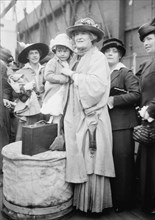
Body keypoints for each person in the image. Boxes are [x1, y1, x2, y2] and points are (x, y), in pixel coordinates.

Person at [61, 17, 115, 213]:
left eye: (83, 33)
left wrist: (73, 75)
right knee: (81, 158)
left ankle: (93, 204)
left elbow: (97, 86)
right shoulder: (79, 58)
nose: (78, 37)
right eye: (75, 34)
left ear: (93, 37)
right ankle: (81, 202)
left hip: (93, 116)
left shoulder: (98, 57)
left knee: (92, 159)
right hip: (78, 116)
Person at [101, 38, 140, 212]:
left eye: (114, 51)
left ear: (120, 55)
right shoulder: (101, 72)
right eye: (107, 51)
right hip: (106, 123)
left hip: (122, 124)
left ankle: (124, 202)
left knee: (122, 162)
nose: (110, 53)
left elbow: (136, 94)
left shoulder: (125, 72)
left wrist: (113, 100)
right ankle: (112, 199)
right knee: (110, 162)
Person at [8, 43, 49, 141]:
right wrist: (25, 88)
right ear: (27, 56)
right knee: (27, 135)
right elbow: (14, 94)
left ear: (40, 55)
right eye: (31, 53)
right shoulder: (20, 72)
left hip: (45, 105)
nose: (34, 56)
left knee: (44, 134)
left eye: (36, 53)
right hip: (29, 107)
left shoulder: (46, 70)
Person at [135, 18, 155, 215]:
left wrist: (151, 108)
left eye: (150, 38)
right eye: (144, 40)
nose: (146, 43)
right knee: (148, 164)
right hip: (148, 122)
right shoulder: (148, 64)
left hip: (152, 116)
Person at [41, 33, 73, 129]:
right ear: (55, 52)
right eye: (59, 51)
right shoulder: (53, 62)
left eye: (65, 51)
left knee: (63, 116)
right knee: (56, 115)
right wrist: (62, 79)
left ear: (69, 52)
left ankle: (61, 135)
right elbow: (48, 75)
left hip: (65, 92)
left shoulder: (70, 62)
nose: (62, 54)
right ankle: (55, 135)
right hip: (56, 92)